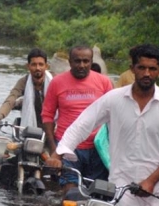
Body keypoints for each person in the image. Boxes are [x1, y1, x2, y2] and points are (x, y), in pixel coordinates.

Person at [49, 44, 159, 206]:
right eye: (141, 68)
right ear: (132, 68)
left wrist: (151, 181)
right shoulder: (114, 99)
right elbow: (83, 124)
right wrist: (59, 153)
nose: (146, 74)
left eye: (152, 69)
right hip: (124, 187)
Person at [43, 45, 114, 192]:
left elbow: (113, 116)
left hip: (98, 148)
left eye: (86, 61)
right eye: (77, 61)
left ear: (91, 61)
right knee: (71, 192)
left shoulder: (104, 82)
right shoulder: (57, 82)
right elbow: (47, 116)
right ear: (70, 61)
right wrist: (54, 150)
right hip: (68, 148)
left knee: (99, 193)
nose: (81, 65)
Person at [0, 48, 53, 129]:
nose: (37, 68)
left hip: (54, 126)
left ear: (46, 66)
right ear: (28, 66)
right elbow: (10, 99)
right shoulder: (23, 82)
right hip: (32, 127)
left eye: (41, 64)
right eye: (34, 64)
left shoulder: (55, 80)